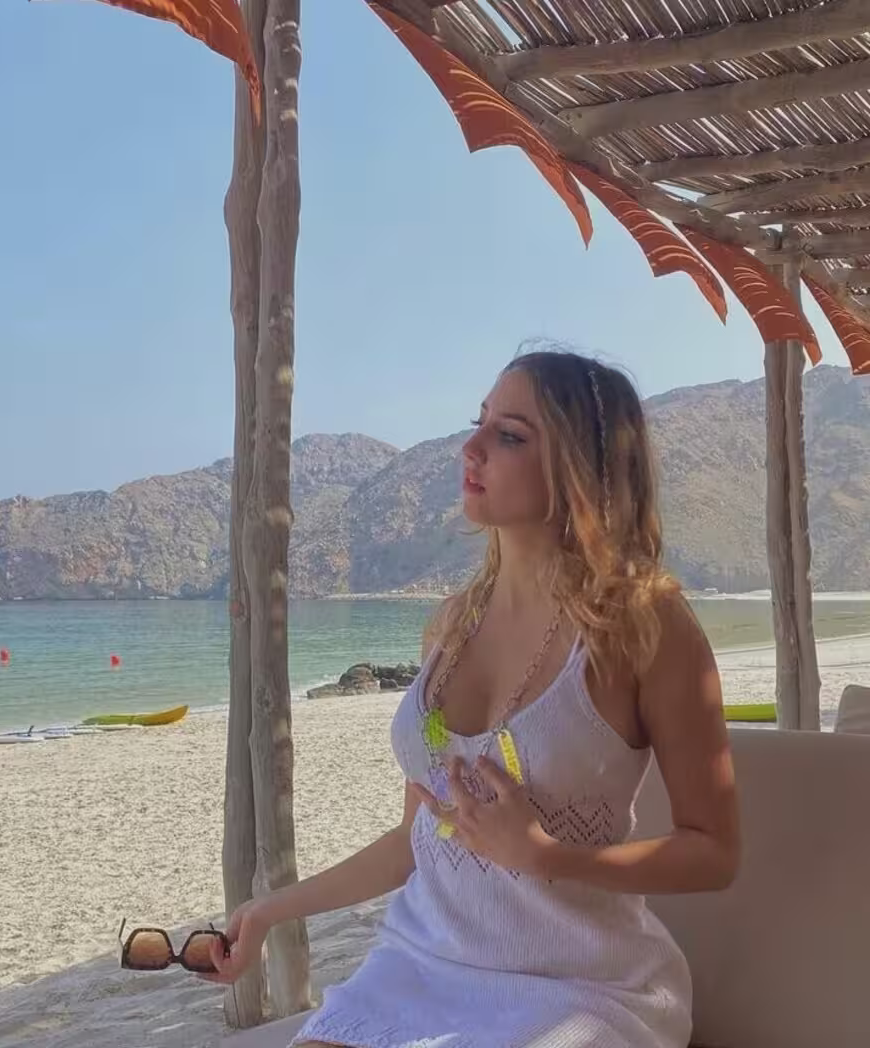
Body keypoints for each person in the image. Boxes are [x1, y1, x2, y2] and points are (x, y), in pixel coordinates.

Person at [206, 347, 740, 1048]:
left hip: (581, 989)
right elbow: (418, 839)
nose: (471, 447)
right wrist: (271, 909)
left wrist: (547, 856)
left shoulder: (643, 625)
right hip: (418, 969)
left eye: (509, 435)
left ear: (582, 468)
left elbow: (714, 852)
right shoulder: (453, 626)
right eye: (478, 423)